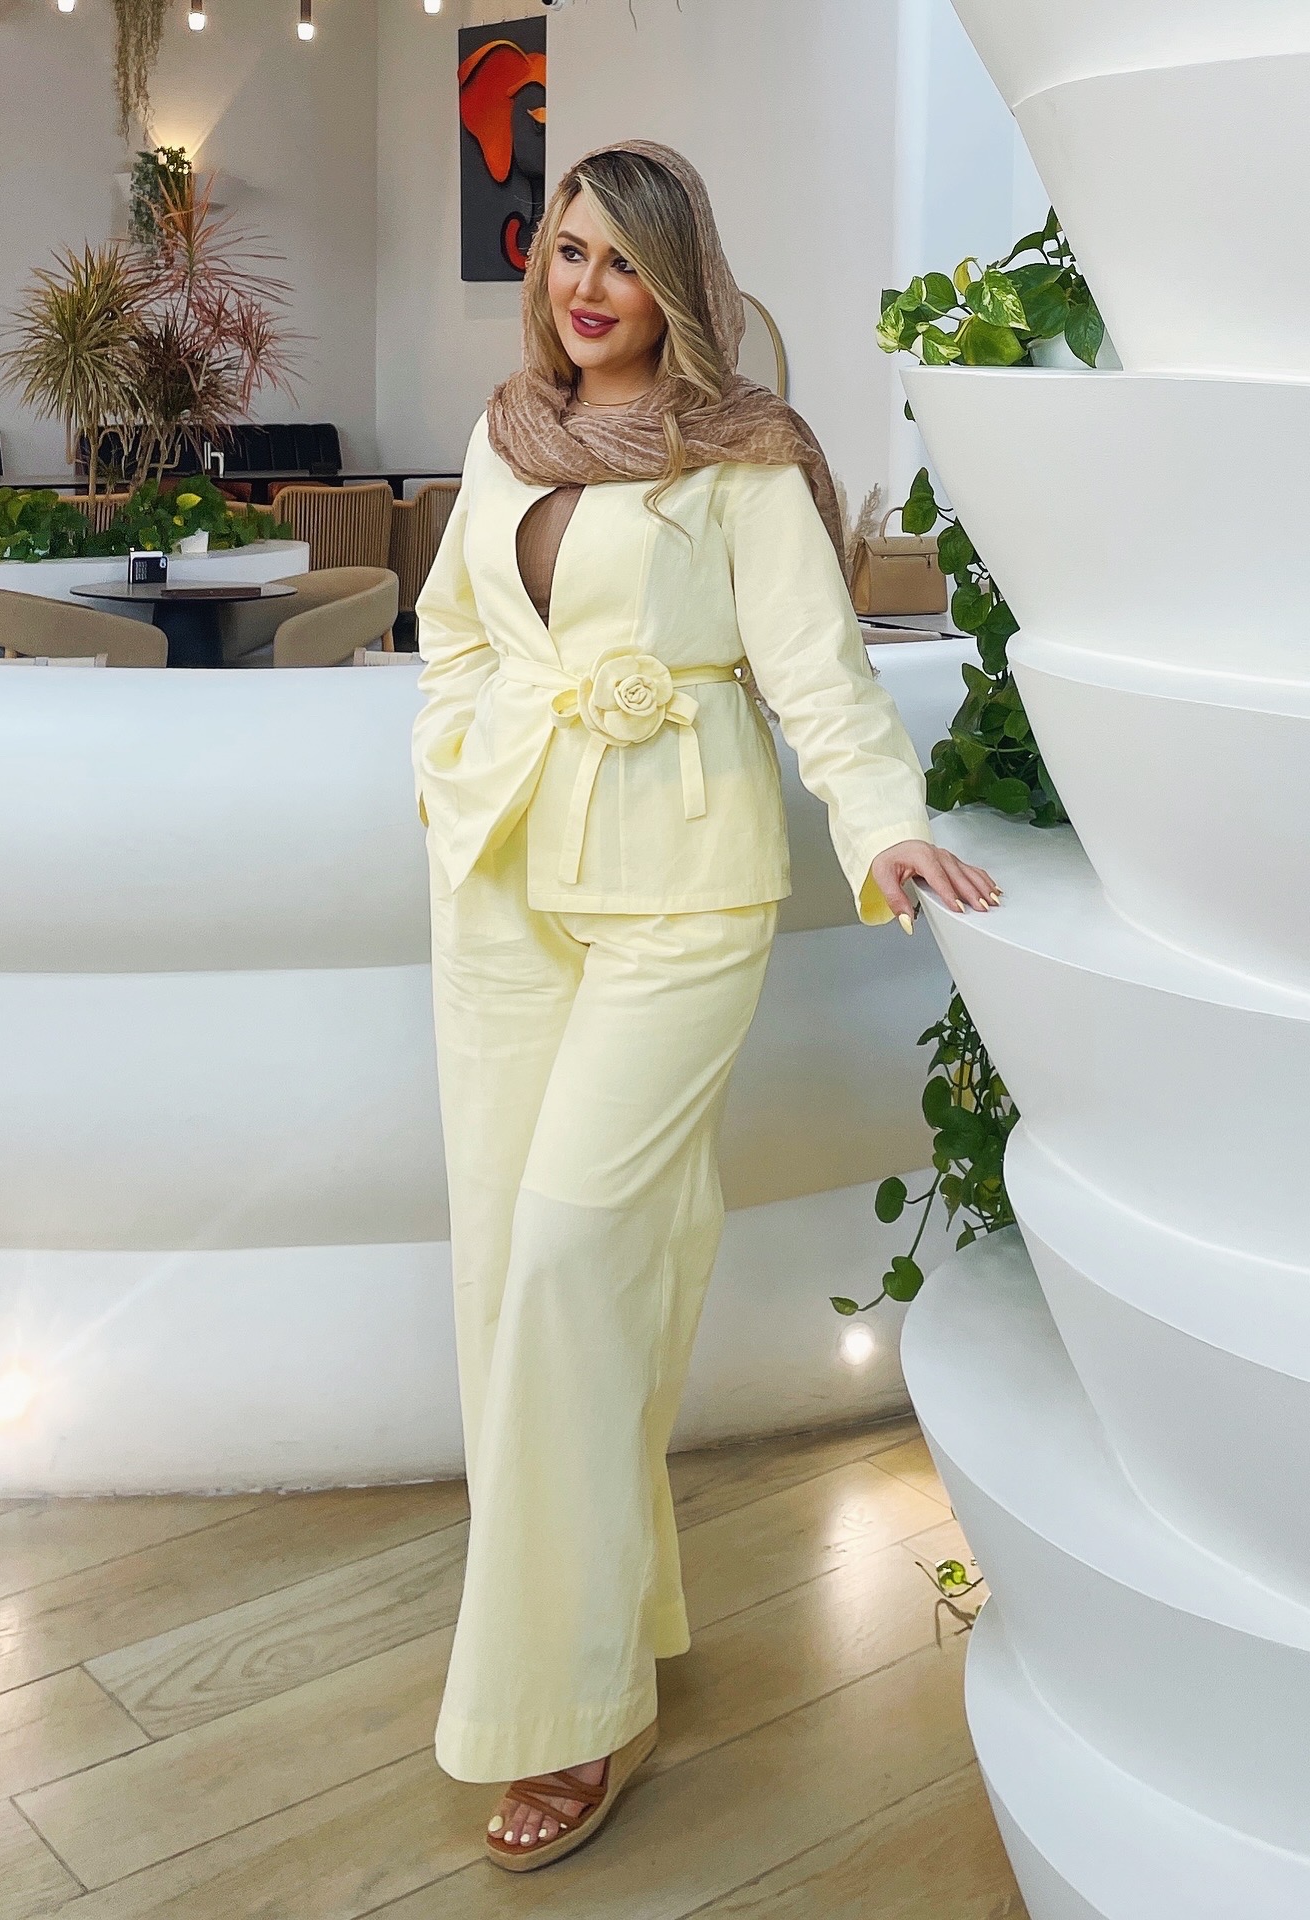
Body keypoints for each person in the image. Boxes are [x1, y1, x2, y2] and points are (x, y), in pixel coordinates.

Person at [412, 140, 999, 1873]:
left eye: (621, 260)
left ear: (679, 279)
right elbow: (456, 628)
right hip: (503, 881)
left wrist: (882, 827)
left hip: (681, 887)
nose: (585, 288)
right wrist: (451, 760)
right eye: (565, 251)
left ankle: (569, 1712)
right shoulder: (505, 433)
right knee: (512, 1275)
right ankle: (607, 1622)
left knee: (571, 1256)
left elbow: (818, 671)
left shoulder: (741, 453)